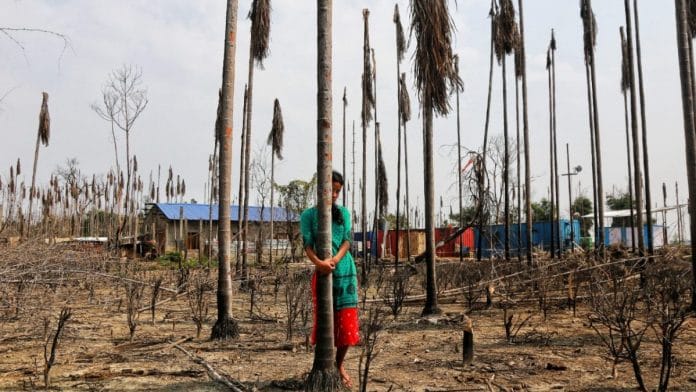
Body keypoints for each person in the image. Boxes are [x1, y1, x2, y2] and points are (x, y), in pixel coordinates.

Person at [300, 170, 359, 388]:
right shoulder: (308, 216)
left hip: (345, 271)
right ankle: (326, 363)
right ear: (320, 189)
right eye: (331, 190)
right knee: (326, 320)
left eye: (337, 191)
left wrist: (334, 259)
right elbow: (307, 245)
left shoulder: (343, 213)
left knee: (346, 321)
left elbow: (346, 241)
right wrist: (319, 263)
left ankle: (339, 364)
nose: (334, 195)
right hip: (323, 274)